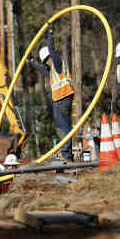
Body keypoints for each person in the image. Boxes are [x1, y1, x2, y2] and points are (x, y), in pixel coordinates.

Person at [28, 27, 75, 162]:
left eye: (46, 61)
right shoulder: (51, 69)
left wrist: (50, 33)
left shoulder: (58, 63)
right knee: (60, 126)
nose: (46, 64)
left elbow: (52, 49)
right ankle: (65, 153)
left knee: (65, 127)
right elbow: (42, 70)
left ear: (50, 57)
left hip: (64, 98)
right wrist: (31, 62)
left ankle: (66, 155)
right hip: (58, 101)